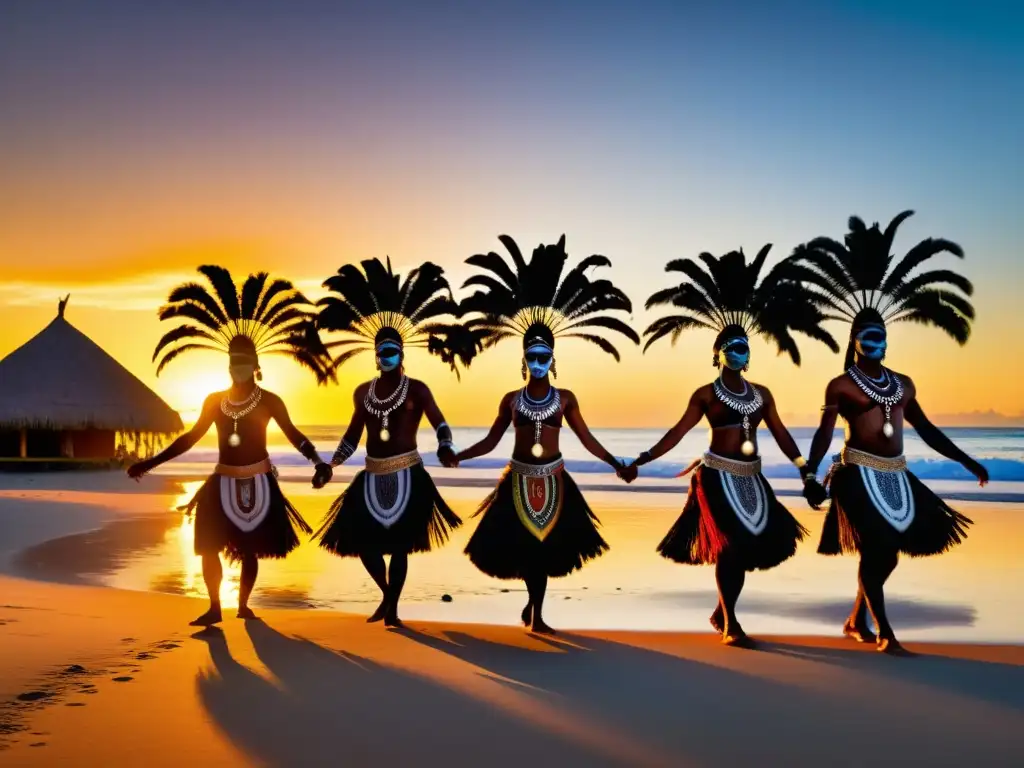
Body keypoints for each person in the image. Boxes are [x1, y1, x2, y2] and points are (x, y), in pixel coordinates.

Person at [792, 212, 987, 654]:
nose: (875, 340)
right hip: (855, 473)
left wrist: (966, 459)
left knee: (889, 553)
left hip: (897, 474)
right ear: (855, 339)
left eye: (880, 333)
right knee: (879, 546)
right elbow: (825, 434)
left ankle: (855, 618)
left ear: (887, 338)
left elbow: (928, 429)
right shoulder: (840, 385)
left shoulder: (903, 383)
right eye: (866, 334)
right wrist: (810, 473)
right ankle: (884, 633)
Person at [626, 246, 839, 647]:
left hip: (752, 478)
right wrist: (643, 459)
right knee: (731, 545)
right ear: (718, 353)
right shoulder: (706, 394)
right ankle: (731, 624)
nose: (742, 352)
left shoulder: (761, 394)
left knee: (745, 550)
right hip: (715, 477)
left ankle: (722, 611)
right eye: (735, 346)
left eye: (746, 347)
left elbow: (780, 434)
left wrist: (805, 470)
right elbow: (678, 431)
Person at [453, 234, 638, 633]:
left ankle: (536, 614)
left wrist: (616, 463)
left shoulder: (566, 399)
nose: (537, 362)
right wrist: (459, 455)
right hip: (517, 481)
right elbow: (490, 441)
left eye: (544, 357)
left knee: (545, 549)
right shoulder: (510, 400)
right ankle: (534, 608)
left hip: (555, 481)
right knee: (526, 550)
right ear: (523, 359)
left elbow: (587, 438)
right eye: (531, 356)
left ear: (554, 359)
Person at [312, 258, 477, 628]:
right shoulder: (362, 393)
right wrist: (331, 465)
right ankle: (388, 597)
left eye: (391, 350)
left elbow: (440, 422)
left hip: (408, 474)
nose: (386, 356)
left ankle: (393, 610)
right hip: (371, 476)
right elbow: (353, 436)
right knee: (365, 545)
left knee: (401, 545)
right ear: (375, 355)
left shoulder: (417, 389)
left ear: (402, 353)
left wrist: (446, 446)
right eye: (381, 351)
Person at [129, 334, 332, 626]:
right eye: (233, 361)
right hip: (221, 481)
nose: (238, 367)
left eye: (244, 362)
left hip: (259, 482)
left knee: (250, 549)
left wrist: (317, 461)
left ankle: (242, 605)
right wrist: (151, 463)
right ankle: (214, 607)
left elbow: (293, 433)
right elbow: (190, 438)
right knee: (208, 545)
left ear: (255, 366)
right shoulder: (214, 401)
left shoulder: (270, 401)